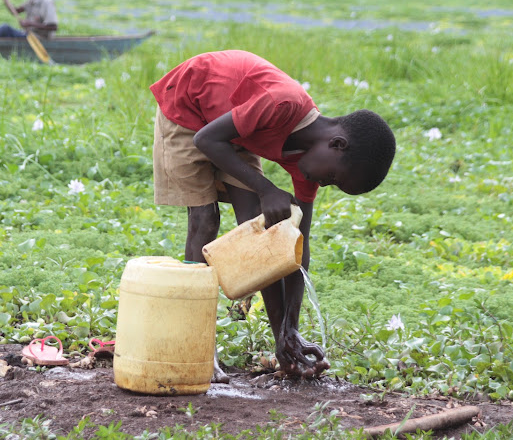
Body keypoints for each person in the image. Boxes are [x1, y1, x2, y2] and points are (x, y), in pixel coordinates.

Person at [150, 50, 396, 381]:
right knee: (205, 220)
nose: (323, 184)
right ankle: (196, 346)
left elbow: (297, 249)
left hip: (235, 126)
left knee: (255, 229)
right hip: (187, 106)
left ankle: (282, 342)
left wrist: (288, 331)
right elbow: (205, 139)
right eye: (333, 178)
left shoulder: (307, 166)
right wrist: (266, 189)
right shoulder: (283, 104)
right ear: (337, 144)